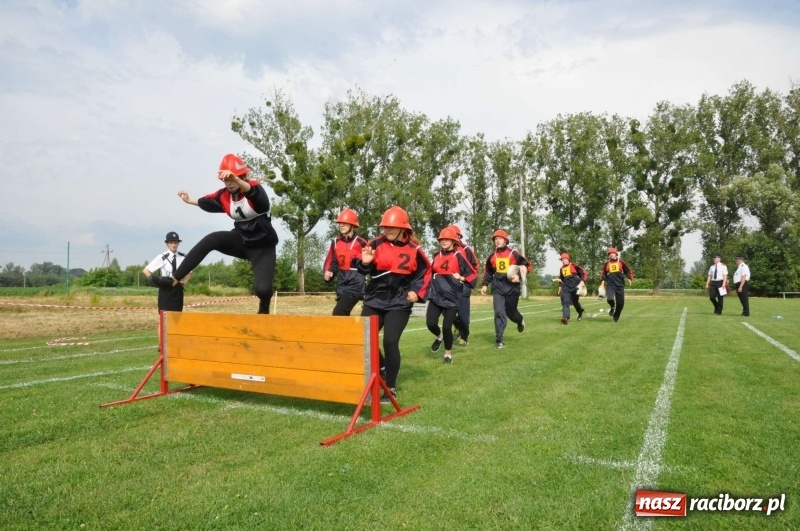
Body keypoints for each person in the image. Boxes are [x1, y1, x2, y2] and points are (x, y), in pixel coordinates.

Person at [150, 153, 279, 314]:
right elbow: (208, 202)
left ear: (242, 177)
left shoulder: (254, 189)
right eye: (225, 180)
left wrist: (236, 179)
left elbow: (257, 197)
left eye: (232, 179)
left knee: (262, 290)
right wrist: (189, 200)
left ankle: (264, 303)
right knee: (212, 239)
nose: (229, 184)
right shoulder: (224, 196)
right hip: (242, 241)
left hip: (263, 246)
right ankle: (173, 280)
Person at [358, 206, 431, 402]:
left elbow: (425, 274)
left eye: (391, 227)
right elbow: (362, 270)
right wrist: (365, 263)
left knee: (390, 341)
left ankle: (390, 388)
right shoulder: (374, 244)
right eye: (384, 227)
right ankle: (381, 367)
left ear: (402, 228)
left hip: (399, 302)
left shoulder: (415, 250)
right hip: (375, 299)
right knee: (363, 338)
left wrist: (417, 292)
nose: (387, 231)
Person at [426, 226, 478, 364]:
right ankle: (440, 336)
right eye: (442, 239)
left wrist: (461, 278)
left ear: (453, 241)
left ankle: (448, 354)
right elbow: (429, 273)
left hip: (452, 297)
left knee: (447, 326)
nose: (443, 241)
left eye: (447, 239)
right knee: (430, 323)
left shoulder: (459, 255)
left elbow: (473, 274)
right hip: (436, 295)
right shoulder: (436, 255)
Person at [480, 229, 531, 349]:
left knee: (511, 313)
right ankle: (499, 339)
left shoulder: (514, 253)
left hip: (512, 287)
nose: (497, 241)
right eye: (495, 239)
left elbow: (527, 266)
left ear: (505, 240)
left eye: (500, 238)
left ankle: (520, 320)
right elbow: (488, 271)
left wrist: (518, 276)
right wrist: (485, 284)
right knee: (498, 312)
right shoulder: (492, 256)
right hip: (498, 287)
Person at [323, 208, 368, 316]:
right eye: (340, 223)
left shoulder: (361, 242)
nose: (341, 225)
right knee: (342, 318)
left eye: (345, 223)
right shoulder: (335, 242)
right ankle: (351, 333)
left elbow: (368, 265)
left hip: (356, 283)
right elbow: (333, 262)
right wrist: (330, 272)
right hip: (342, 283)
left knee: (338, 312)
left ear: (353, 225)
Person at [143, 232, 192, 312]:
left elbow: (190, 271)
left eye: (175, 243)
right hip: (165, 289)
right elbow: (146, 270)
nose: (173, 245)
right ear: (167, 244)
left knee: (177, 316)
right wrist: (154, 282)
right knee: (164, 317)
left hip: (177, 290)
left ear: (178, 244)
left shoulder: (183, 257)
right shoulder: (162, 257)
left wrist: (184, 281)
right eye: (171, 243)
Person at [450, 224, 480, 347]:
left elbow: (475, 267)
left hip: (463, 286)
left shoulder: (466, 249)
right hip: (449, 288)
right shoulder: (445, 251)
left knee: (463, 315)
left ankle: (464, 337)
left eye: (455, 235)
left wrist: (466, 279)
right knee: (447, 313)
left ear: (459, 236)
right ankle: (458, 327)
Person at [599, 247, 634, 322]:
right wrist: (602, 283)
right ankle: (612, 307)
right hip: (610, 285)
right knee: (610, 299)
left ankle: (616, 316)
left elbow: (628, 271)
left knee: (621, 303)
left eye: (612, 253)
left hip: (620, 285)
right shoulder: (607, 264)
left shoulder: (621, 262)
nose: (611, 255)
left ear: (616, 254)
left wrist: (629, 278)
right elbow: (603, 274)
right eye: (609, 254)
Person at [554, 253, 587, 325]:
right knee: (566, 302)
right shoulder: (561, 269)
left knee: (575, 302)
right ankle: (565, 318)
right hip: (566, 287)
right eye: (562, 259)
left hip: (575, 286)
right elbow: (561, 278)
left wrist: (582, 281)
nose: (563, 261)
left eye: (565, 259)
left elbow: (583, 273)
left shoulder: (574, 266)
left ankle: (580, 311)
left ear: (568, 259)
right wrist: (560, 283)